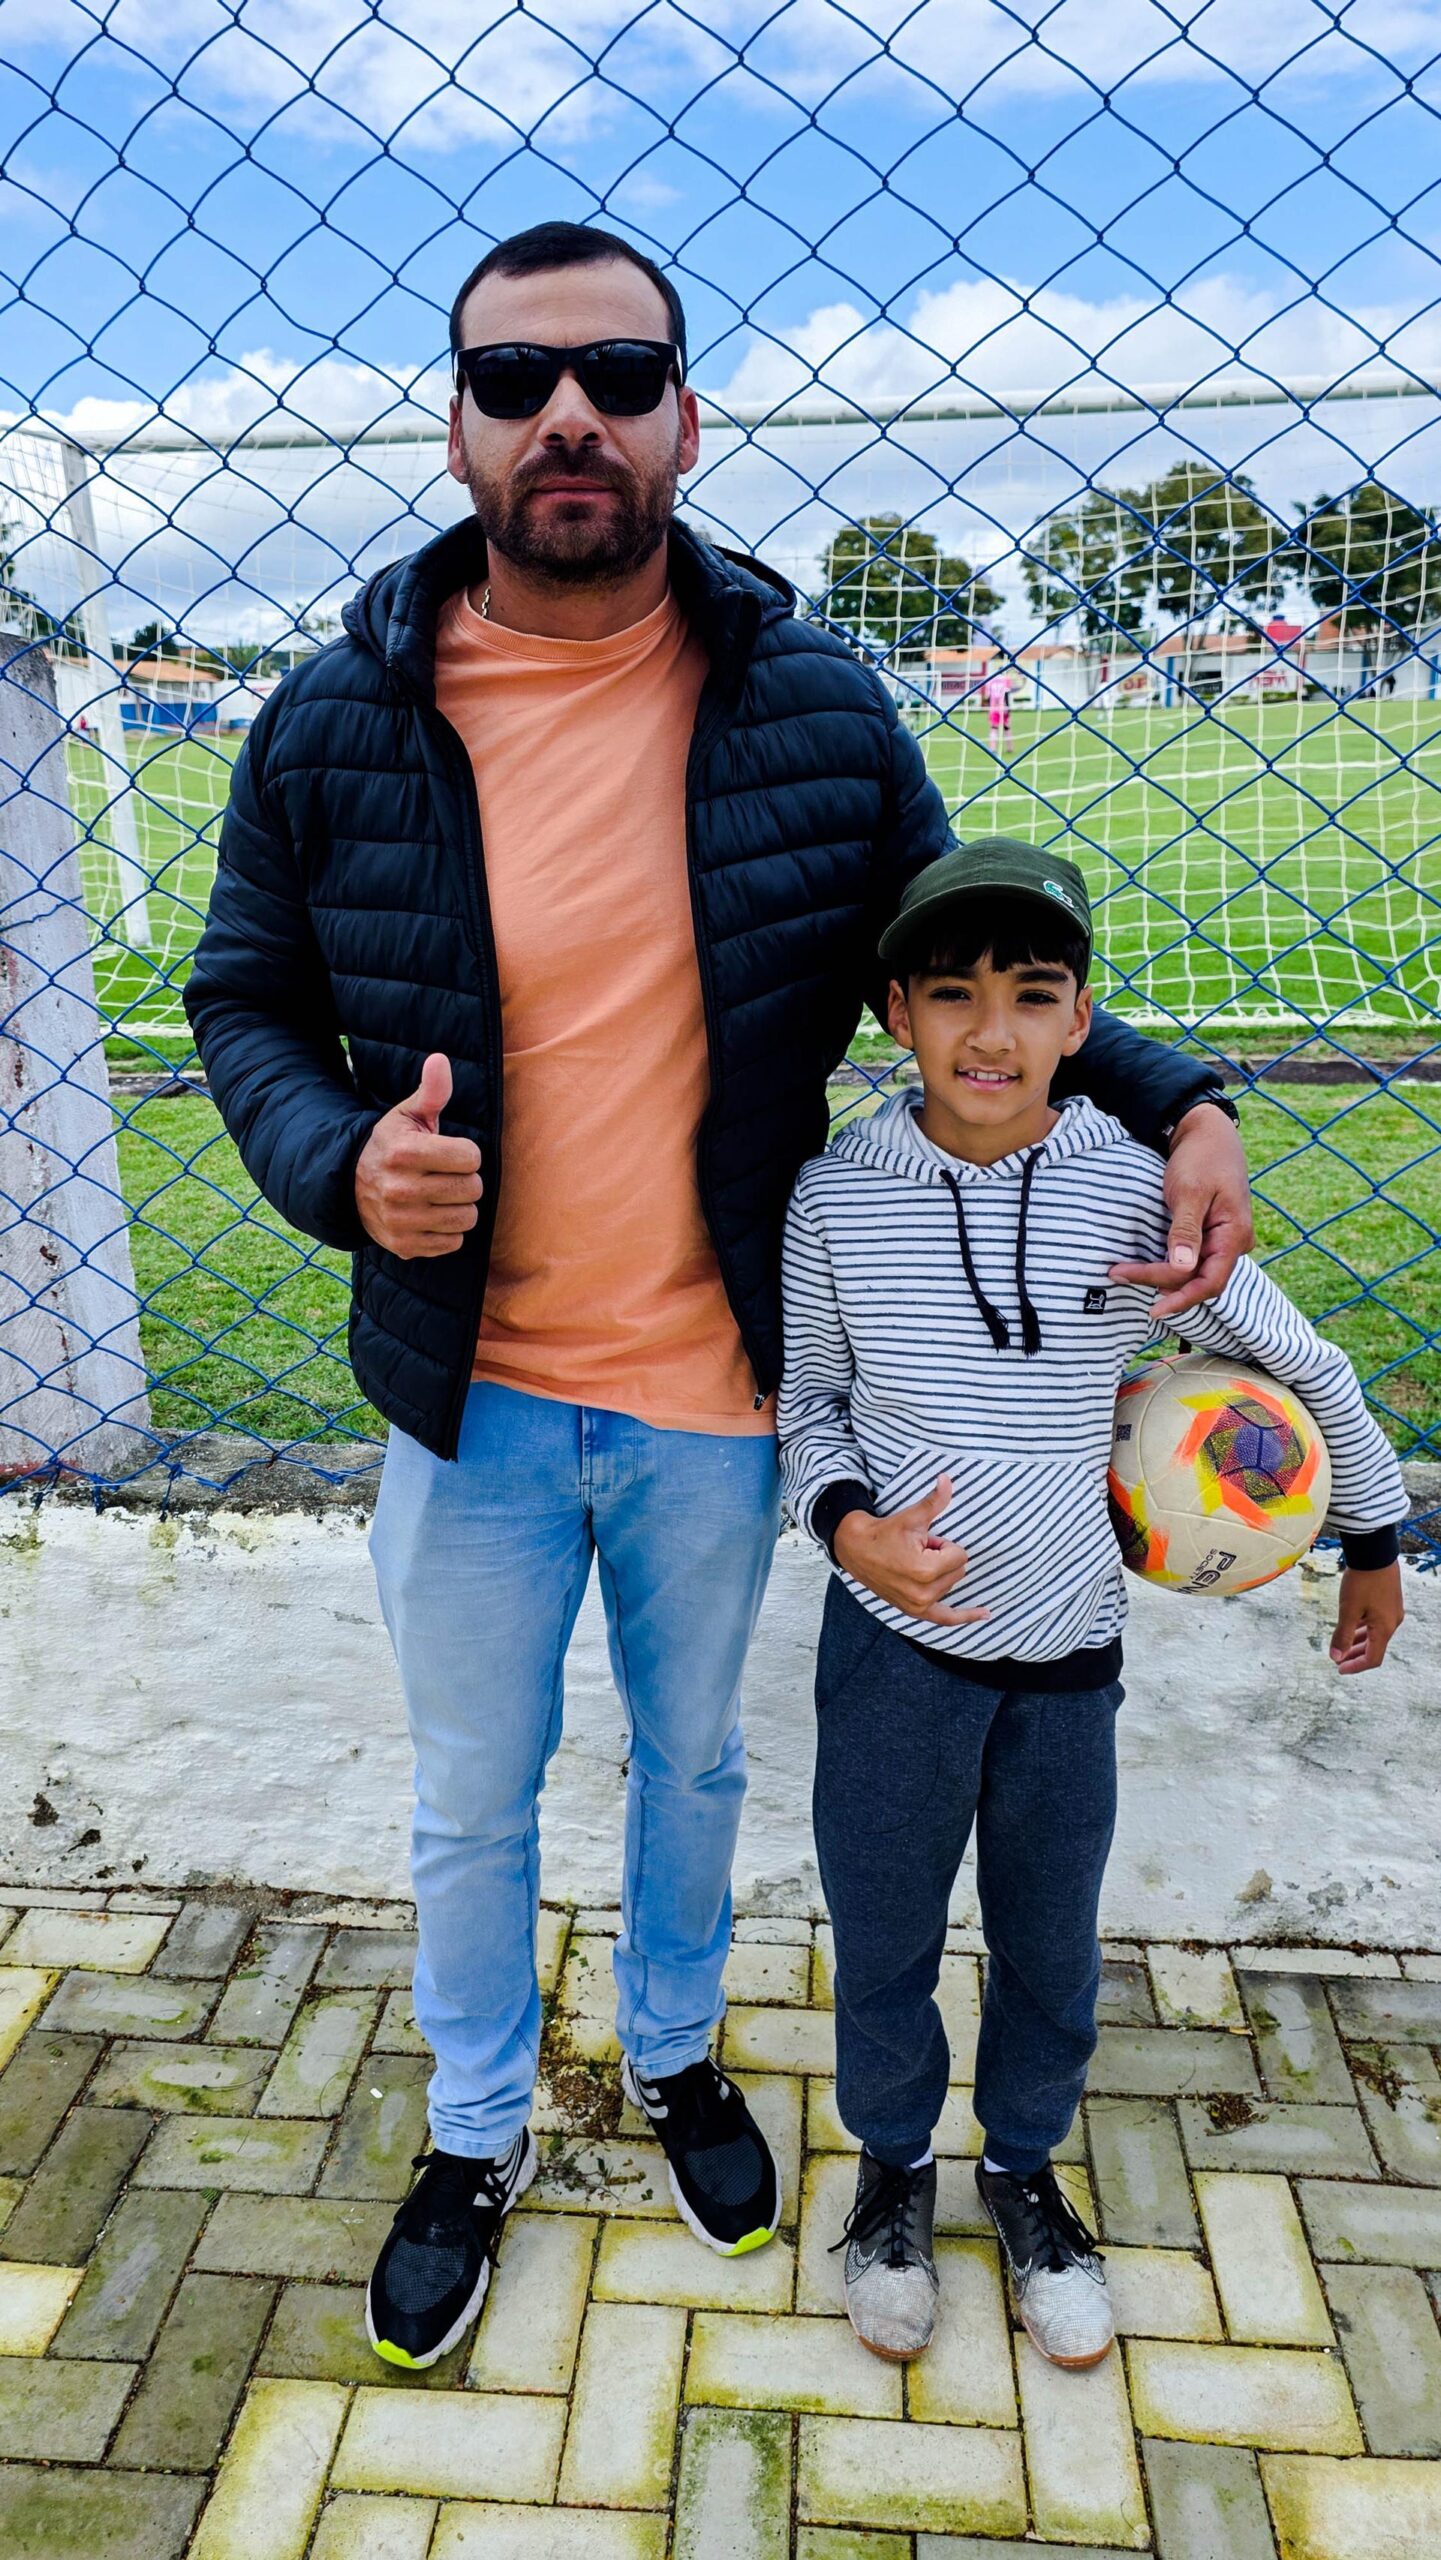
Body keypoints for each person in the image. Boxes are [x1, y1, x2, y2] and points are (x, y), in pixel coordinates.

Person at [184, 219, 1255, 2374]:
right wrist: (341, 1163)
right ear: (459, 428)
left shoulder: (815, 706)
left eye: (616, 372)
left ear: (685, 414)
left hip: (711, 1390)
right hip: (466, 1393)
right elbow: (245, 1000)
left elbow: (963, 962)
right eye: (515, 381)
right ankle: (474, 2125)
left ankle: (674, 2055)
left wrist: (1178, 1096)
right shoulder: (333, 717)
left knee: (689, 1766)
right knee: (471, 1798)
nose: (567, 415)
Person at [778, 835, 1407, 2367]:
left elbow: (1298, 1361)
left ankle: (1021, 2171)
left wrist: (1375, 1535)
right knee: (884, 1937)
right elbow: (806, 1406)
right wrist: (850, 1530)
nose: (989, 1032)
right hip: (894, 1656)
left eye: (1031, 993)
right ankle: (892, 2171)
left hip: (1067, 1658)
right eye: (951, 994)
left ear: (1078, 1019)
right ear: (894, 1014)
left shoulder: (1133, 1193)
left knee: (1050, 1946)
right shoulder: (833, 1199)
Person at [983, 661, 1016, 747]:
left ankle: (992, 747)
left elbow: (988, 696)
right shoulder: (1006, 680)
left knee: (994, 727)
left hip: (994, 707)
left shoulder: (991, 680)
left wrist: (989, 707)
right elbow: (1006, 695)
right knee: (1006, 727)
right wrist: (1008, 709)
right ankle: (1009, 747)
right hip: (1003, 707)